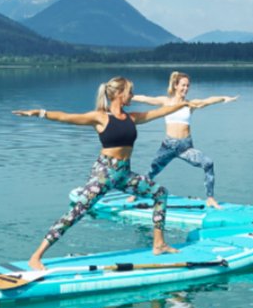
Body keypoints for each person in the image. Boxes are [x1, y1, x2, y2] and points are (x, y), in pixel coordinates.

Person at [13, 76, 187, 270]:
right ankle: (36, 256)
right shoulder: (100, 117)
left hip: (124, 173)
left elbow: (160, 111)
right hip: (104, 173)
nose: (132, 95)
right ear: (120, 94)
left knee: (160, 193)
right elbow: (67, 117)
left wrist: (182, 105)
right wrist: (40, 113)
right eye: (130, 91)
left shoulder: (132, 118)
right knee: (76, 212)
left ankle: (158, 243)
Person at [129, 71, 237, 209]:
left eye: (188, 86)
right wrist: (128, 97)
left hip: (186, 147)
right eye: (183, 85)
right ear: (175, 85)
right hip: (168, 146)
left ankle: (210, 198)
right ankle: (136, 193)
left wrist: (223, 98)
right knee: (151, 172)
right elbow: (145, 98)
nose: (185, 88)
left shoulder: (190, 104)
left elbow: (207, 100)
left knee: (208, 163)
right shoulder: (166, 102)